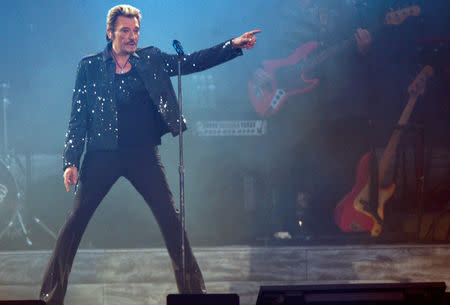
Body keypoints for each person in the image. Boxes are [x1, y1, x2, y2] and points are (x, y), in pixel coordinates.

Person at [39, 4, 260, 305]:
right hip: (101, 156)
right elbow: (77, 119)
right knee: (75, 221)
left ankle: (194, 297)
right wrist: (70, 161)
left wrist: (231, 46)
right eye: (125, 31)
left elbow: (191, 62)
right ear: (110, 33)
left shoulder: (151, 59)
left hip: (143, 155)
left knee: (171, 220)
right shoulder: (89, 67)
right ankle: (50, 298)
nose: (132, 37)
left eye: (136, 31)